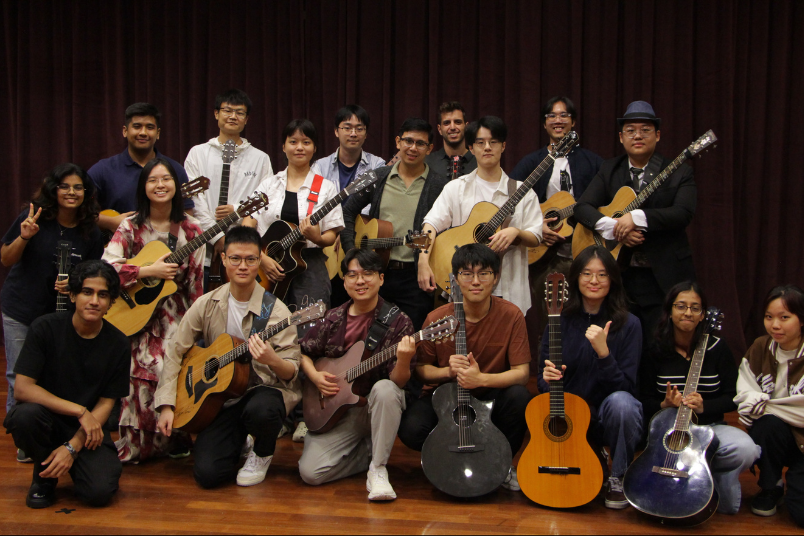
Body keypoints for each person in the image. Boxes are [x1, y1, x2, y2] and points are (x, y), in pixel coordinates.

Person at [155, 225, 302, 488]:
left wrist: (272, 359)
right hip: (221, 399)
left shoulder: (276, 312)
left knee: (263, 409)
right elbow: (176, 350)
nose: (242, 266)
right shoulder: (206, 303)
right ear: (223, 259)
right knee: (208, 475)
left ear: (260, 261)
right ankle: (241, 441)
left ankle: (262, 452)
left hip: (261, 392)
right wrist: (167, 404)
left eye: (250, 259)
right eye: (235, 258)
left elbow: (291, 372)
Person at [397, 243, 531, 490]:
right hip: (445, 397)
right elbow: (422, 369)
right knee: (411, 429)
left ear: (496, 277)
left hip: (489, 396)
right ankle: (445, 457)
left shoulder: (512, 315)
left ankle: (502, 464)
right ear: (456, 279)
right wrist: (448, 371)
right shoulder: (437, 318)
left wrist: (481, 380)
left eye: (484, 273)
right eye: (467, 274)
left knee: (519, 397)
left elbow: (522, 373)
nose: (476, 281)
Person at [3, 260, 129, 508]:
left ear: (111, 302)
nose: (94, 301)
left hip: (89, 431)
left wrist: (72, 447)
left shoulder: (119, 343)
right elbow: (22, 388)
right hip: (47, 420)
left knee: (100, 493)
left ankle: (65, 461)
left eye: (102, 295)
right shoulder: (44, 328)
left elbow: (107, 402)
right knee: (24, 417)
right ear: (72, 295)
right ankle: (44, 475)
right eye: (86, 292)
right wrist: (79, 410)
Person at [102, 158, 204, 463]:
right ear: (143, 188)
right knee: (135, 369)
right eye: (152, 180)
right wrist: (146, 272)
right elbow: (107, 269)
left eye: (166, 179)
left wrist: (196, 332)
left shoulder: (191, 228)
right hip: (132, 315)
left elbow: (196, 286)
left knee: (166, 365)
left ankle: (173, 438)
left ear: (176, 186)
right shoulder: (130, 225)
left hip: (175, 315)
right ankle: (138, 443)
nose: (160, 185)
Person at [1, 164, 103, 463]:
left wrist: (74, 285)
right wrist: (24, 237)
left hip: (61, 316)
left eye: (78, 187)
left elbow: (93, 275)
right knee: (18, 375)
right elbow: (6, 258)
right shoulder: (34, 218)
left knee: (53, 374)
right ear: (53, 189)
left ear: (86, 193)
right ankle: (24, 440)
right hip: (22, 308)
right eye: (65, 186)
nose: (71, 193)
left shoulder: (90, 231)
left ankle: (53, 432)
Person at [298, 249, 415, 501]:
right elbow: (302, 353)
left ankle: (378, 468)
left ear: (381, 279)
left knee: (385, 389)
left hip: (376, 408)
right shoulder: (333, 318)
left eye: (367, 274)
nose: (360, 281)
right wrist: (315, 377)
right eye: (352, 275)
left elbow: (399, 383)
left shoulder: (399, 323)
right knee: (310, 472)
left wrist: (403, 358)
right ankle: (367, 452)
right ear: (344, 281)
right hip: (339, 410)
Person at [574, 101, 696, 341]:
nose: (637, 135)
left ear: (658, 135)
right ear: (621, 137)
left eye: (645, 129)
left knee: (660, 343)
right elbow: (582, 208)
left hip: (663, 275)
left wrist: (636, 217)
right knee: (620, 342)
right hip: (620, 275)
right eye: (630, 130)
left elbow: (683, 213)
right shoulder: (610, 169)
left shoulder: (679, 170)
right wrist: (614, 228)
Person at [639, 281, 759, 514]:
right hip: (668, 435)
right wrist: (664, 404)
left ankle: (707, 472)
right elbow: (642, 399)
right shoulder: (654, 350)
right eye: (681, 306)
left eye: (695, 308)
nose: (688, 313)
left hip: (708, 429)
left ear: (703, 315)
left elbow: (733, 396)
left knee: (748, 449)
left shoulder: (717, 349)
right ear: (670, 311)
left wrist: (705, 406)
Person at [538, 245, 643, 509]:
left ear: (613, 280)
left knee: (623, 404)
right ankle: (589, 454)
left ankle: (618, 476)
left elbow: (627, 388)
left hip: (606, 415)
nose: (594, 281)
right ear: (575, 279)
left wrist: (604, 354)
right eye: (586, 274)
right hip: (569, 420)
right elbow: (541, 381)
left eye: (602, 274)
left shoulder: (629, 324)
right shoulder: (558, 318)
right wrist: (547, 379)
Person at [419, 116, 543, 315]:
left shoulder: (523, 192)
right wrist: (423, 261)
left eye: (493, 142)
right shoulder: (456, 189)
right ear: (471, 148)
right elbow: (430, 224)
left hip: (509, 290)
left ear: (503, 146)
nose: (487, 147)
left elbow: (536, 236)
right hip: (465, 291)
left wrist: (516, 232)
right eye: (480, 142)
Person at [509, 96, 603, 357]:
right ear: (544, 123)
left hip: (583, 252)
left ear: (573, 121)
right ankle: (547, 382)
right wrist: (537, 227)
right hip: (544, 256)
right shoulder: (532, 163)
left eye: (564, 115)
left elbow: (607, 201)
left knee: (586, 320)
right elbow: (509, 202)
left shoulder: (593, 162)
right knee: (548, 322)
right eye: (552, 115)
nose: (558, 120)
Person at [341, 117, 448, 331]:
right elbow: (348, 211)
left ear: (430, 148)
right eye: (408, 141)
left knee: (411, 339)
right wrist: (352, 251)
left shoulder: (439, 185)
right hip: (377, 274)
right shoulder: (378, 177)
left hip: (415, 278)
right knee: (369, 338)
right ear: (398, 142)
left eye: (420, 143)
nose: (413, 148)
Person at [244, 119, 343, 313]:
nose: (299, 147)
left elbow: (331, 235)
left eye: (306, 142)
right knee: (265, 327)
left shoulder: (326, 188)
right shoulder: (268, 185)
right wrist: (260, 257)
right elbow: (248, 220)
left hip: (310, 268)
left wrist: (317, 237)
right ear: (283, 146)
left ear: (315, 148)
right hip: (267, 266)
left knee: (310, 330)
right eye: (293, 141)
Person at [184, 89, 273, 284]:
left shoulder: (261, 159)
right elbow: (194, 204)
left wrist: (237, 211)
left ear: (247, 119)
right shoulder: (197, 154)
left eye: (239, 113)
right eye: (227, 110)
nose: (233, 116)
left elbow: (267, 204)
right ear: (216, 114)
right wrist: (217, 238)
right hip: (204, 251)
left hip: (245, 254)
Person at [735, 284, 804, 525]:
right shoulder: (760, 347)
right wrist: (783, 409)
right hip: (778, 435)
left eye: (785, 317)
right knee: (767, 425)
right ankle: (771, 486)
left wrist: (767, 405)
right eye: (769, 317)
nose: (775, 325)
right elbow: (743, 399)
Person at [89, 102, 193, 235]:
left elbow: (187, 216)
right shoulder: (103, 170)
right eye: (137, 126)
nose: (143, 133)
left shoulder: (175, 170)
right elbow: (79, 210)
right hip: (115, 250)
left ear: (158, 133)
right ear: (125, 131)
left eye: (150, 127)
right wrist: (111, 222)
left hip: (162, 250)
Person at [314, 104, 386, 194]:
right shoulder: (320, 167)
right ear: (336, 131)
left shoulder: (377, 165)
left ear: (366, 134)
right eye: (347, 128)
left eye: (359, 129)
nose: (353, 134)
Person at [424, 101, 477, 179]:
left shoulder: (479, 162)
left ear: (466, 127)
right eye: (447, 123)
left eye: (458, 122)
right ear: (439, 129)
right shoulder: (427, 163)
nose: (452, 127)